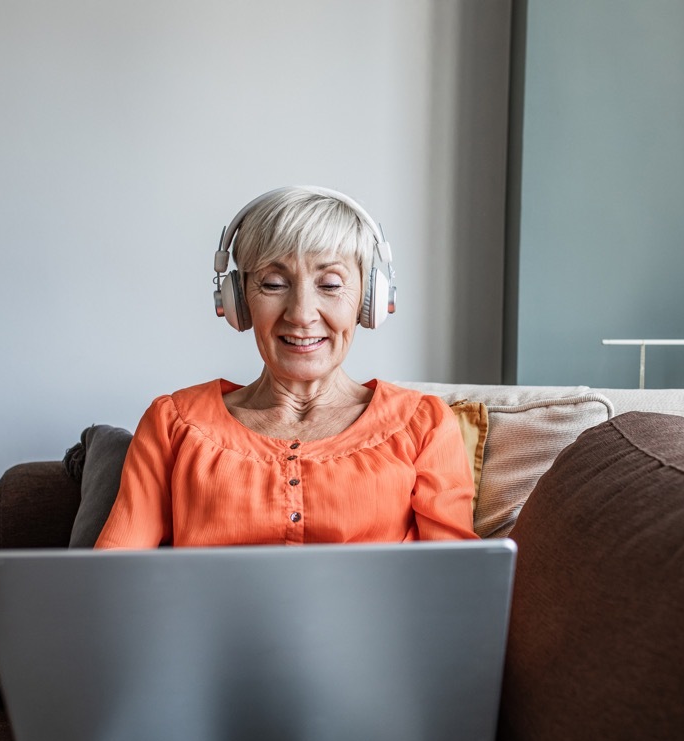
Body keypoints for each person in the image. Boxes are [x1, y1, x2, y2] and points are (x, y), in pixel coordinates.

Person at [95, 186, 478, 550]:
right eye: (274, 284)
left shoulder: (423, 424)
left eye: (330, 285)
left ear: (369, 299)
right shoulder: (172, 423)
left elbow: (458, 583)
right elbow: (114, 578)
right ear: (238, 301)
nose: (301, 315)